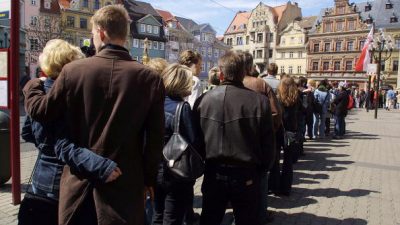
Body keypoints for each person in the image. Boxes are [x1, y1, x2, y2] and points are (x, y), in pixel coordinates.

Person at [23, 5, 165, 225]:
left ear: (100, 32)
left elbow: (42, 111)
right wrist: (148, 180)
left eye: (92, 35)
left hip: (80, 185)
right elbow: (154, 139)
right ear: (124, 34)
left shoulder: (74, 71)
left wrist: (32, 85)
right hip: (126, 186)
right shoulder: (150, 78)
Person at [18, 39, 120, 225]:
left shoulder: (37, 94)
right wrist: (101, 166)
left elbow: (27, 133)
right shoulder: (70, 98)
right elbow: (63, 145)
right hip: (65, 185)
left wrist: (45, 144)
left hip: (39, 184)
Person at [194, 51, 275, 225]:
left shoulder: (203, 100)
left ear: (221, 74)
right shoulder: (259, 102)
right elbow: (268, 143)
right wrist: (262, 169)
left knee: (210, 218)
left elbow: (196, 140)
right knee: (246, 219)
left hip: (215, 172)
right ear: (243, 73)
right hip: (245, 173)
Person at [152, 64, 201, 225]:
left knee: (157, 214)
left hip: (155, 167)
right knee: (173, 217)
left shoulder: (154, 102)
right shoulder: (182, 107)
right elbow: (191, 139)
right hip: (176, 170)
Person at [241, 52, 281, 224]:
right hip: (257, 140)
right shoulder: (260, 83)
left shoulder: (226, 84)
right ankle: (261, 215)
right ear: (251, 67)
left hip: (233, 141)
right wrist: (268, 132)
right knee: (261, 179)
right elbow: (275, 114)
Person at [269, 77, 300, 196]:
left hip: (278, 131)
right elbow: (303, 111)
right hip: (291, 132)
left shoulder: (277, 98)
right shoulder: (297, 98)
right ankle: (286, 188)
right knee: (288, 161)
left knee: (275, 160)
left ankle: (274, 186)